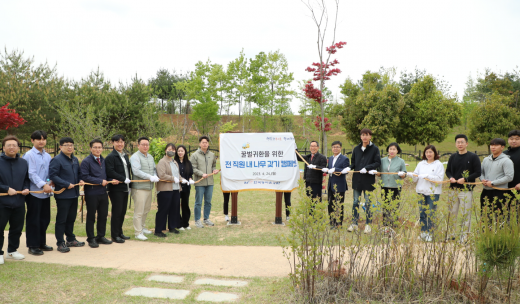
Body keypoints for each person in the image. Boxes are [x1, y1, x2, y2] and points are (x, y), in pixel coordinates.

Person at [49, 137, 85, 253]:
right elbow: (53, 176)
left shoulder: (74, 159)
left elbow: (79, 173)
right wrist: (65, 184)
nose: (70, 147)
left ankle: (70, 239)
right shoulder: (57, 160)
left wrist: (80, 180)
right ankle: (60, 243)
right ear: (60, 147)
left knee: (71, 218)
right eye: (66, 145)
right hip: (63, 195)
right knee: (62, 219)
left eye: (71, 145)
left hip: (74, 194)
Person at [80, 139, 118, 248]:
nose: (98, 149)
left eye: (100, 147)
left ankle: (100, 236)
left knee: (103, 215)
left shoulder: (103, 160)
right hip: (92, 192)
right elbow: (85, 176)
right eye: (95, 147)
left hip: (103, 192)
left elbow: (105, 176)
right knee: (91, 216)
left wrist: (112, 180)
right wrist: (99, 181)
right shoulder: (86, 161)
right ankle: (91, 238)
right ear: (91, 148)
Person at [23, 130, 54, 255]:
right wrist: (43, 184)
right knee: (33, 220)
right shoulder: (29, 155)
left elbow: (49, 172)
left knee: (44, 219)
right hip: (34, 192)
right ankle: (32, 245)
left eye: (44, 139)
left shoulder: (47, 155)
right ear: (32, 140)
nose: (41, 141)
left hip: (45, 192)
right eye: (38, 139)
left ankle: (41, 242)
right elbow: (31, 174)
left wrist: (51, 182)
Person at [0, 135, 30, 264]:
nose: (12, 147)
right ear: (3, 147)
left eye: (14, 145)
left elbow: (26, 180)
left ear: (18, 147)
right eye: (9, 145)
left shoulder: (23, 162)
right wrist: (6, 188)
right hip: (2, 202)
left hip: (19, 201)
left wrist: (26, 188)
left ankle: (12, 251)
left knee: (17, 228)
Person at [445, 134, 481, 242]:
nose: (460, 144)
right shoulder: (453, 157)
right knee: (452, 213)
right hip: (453, 190)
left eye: (462, 142)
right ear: (455, 144)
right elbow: (448, 171)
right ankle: (451, 235)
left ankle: (464, 237)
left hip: (466, 190)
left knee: (466, 214)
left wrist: (465, 179)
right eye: (458, 142)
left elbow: (478, 172)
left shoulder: (473, 157)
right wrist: (451, 177)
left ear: (466, 143)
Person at [345, 129, 381, 234]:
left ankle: (368, 225)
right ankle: (354, 223)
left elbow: (377, 162)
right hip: (357, 179)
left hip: (368, 180)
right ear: (360, 137)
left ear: (370, 137)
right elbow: (353, 162)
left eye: (367, 135)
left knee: (368, 203)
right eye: (363, 135)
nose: (365, 137)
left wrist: (367, 167)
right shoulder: (356, 149)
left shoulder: (375, 149)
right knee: (355, 201)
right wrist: (348, 168)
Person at [407, 145, 445, 242]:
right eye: (427, 152)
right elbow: (416, 178)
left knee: (431, 214)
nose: (428, 154)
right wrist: (412, 175)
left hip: (433, 193)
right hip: (421, 192)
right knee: (422, 213)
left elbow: (439, 179)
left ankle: (430, 233)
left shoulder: (438, 164)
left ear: (435, 153)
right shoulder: (421, 164)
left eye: (430, 152)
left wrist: (428, 176)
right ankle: (423, 232)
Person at [130, 136, 159, 241]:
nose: (145, 146)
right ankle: (138, 232)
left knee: (146, 209)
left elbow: (154, 169)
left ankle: (142, 227)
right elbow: (136, 171)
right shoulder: (135, 156)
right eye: (143, 144)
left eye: (147, 144)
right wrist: (149, 177)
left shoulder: (150, 157)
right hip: (139, 188)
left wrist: (155, 175)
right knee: (139, 211)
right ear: (138, 145)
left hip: (148, 188)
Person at [105, 134, 132, 243]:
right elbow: (110, 171)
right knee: (116, 212)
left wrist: (129, 184)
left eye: (122, 142)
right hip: (116, 189)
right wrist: (123, 178)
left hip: (125, 187)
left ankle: (120, 232)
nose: (120, 144)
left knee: (122, 212)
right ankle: (114, 235)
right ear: (113, 143)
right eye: (117, 142)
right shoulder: (111, 157)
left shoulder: (125, 156)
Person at [480, 138, 514, 219]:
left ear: (502, 147)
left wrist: (493, 183)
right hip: (486, 191)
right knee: (485, 216)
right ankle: (487, 231)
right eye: (492, 145)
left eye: (496, 145)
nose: (493, 147)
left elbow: (509, 177)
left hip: (500, 192)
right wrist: (482, 180)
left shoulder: (506, 161)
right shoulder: (485, 159)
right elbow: (480, 172)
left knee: (500, 217)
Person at [190, 136, 218, 228]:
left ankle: (206, 219)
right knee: (198, 202)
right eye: (203, 142)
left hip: (210, 182)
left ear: (208, 144)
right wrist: (201, 174)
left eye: (206, 142)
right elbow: (193, 168)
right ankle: (197, 220)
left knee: (208, 202)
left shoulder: (212, 155)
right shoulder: (195, 155)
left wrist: (214, 170)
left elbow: (213, 165)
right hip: (200, 182)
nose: (205, 144)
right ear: (199, 144)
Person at [377, 142, 406, 229]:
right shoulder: (382, 160)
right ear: (388, 150)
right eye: (390, 149)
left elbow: (405, 174)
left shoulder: (401, 161)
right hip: (384, 186)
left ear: (397, 151)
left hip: (396, 187)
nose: (392, 151)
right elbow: (378, 172)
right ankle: (386, 225)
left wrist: (402, 174)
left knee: (395, 206)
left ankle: (394, 224)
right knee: (385, 206)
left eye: (394, 149)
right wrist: (376, 173)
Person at [155, 143, 181, 237]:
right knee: (163, 209)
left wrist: (183, 179)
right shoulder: (162, 162)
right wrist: (173, 178)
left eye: (173, 150)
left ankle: (172, 226)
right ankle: (158, 230)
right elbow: (162, 175)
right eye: (170, 149)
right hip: (165, 189)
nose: (172, 151)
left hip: (175, 189)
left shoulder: (175, 162)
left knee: (174, 208)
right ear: (166, 150)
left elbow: (178, 175)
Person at [324, 141, 350, 228]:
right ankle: (332, 221)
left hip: (339, 185)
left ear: (340, 148)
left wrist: (335, 169)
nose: (335, 148)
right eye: (334, 147)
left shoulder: (344, 159)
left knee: (339, 204)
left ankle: (338, 223)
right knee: (330, 203)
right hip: (331, 184)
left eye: (337, 147)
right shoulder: (330, 158)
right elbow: (329, 169)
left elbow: (345, 171)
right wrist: (326, 169)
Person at [174, 145, 194, 229]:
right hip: (177, 187)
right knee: (176, 205)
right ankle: (179, 224)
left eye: (182, 151)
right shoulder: (174, 162)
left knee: (185, 204)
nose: (180, 152)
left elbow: (190, 174)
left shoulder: (188, 163)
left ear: (185, 152)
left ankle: (186, 223)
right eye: (178, 151)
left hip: (186, 187)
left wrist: (190, 179)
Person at [504, 130, 520, 203]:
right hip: (505, 188)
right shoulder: (504, 154)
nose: (514, 141)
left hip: (518, 187)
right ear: (508, 140)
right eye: (511, 139)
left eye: (517, 139)